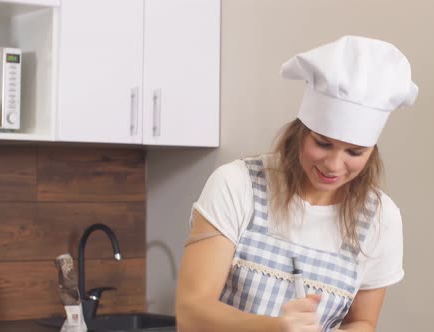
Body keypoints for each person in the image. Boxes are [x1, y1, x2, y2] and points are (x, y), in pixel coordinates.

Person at [176, 35, 418, 332]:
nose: (333, 165)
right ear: (300, 131)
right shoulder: (237, 184)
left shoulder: (381, 218)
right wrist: (276, 327)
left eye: (354, 152)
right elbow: (192, 313)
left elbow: (363, 322)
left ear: (371, 152)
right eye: (323, 144)